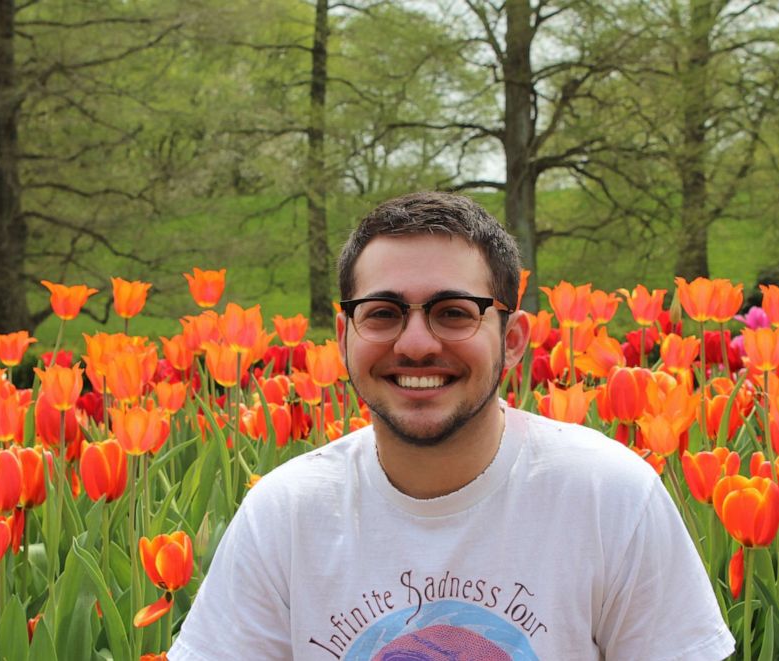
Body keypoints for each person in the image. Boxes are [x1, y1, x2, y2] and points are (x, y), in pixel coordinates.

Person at [168, 192, 735, 660]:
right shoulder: (285, 514)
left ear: (512, 342)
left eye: (454, 312)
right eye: (383, 313)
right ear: (344, 339)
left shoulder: (610, 497)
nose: (416, 343)